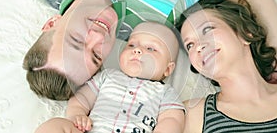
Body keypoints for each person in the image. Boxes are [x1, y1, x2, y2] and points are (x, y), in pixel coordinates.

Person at [22, 0, 277, 100]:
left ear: (51, 24)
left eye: (76, 39)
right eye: (95, 56)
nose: (98, 37)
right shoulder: (160, 17)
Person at [35, 21, 184, 133]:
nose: (138, 50)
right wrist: (77, 115)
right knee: (55, 125)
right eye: (131, 45)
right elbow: (82, 98)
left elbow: (172, 119)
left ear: (167, 69)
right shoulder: (108, 76)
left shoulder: (165, 92)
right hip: (92, 129)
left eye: (151, 48)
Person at [179, 0, 277, 133]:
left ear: (245, 33)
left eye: (207, 30)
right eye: (189, 45)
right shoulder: (190, 115)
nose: (198, 47)